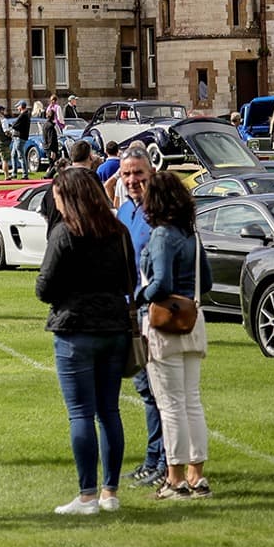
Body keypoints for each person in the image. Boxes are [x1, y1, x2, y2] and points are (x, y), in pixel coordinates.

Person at [34, 167, 134, 516]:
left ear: (70, 198)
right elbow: (129, 279)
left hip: (76, 329)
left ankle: (88, 495)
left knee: (81, 413)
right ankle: (110, 491)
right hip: (114, 328)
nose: (56, 204)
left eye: (58, 197)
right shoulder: (118, 230)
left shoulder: (65, 233)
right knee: (109, 412)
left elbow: (44, 287)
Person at [136, 170, 214, 501]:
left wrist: (139, 295)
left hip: (164, 325)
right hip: (193, 320)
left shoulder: (162, 236)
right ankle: (197, 474)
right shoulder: (190, 234)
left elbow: (161, 284)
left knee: (170, 405)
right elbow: (206, 282)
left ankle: (175, 477)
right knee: (191, 401)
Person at [113, 147, 164, 486]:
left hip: (154, 311)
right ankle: (153, 458)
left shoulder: (160, 211)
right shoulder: (125, 212)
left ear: (151, 173)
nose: (132, 180)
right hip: (129, 310)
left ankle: (163, 462)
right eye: (127, 174)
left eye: (138, 173)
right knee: (144, 388)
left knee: (161, 391)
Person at [10, 102, 33, 176]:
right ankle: (14, 172)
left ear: (21, 107)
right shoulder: (26, 114)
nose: (17, 108)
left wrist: (11, 125)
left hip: (19, 137)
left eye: (18, 107)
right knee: (13, 155)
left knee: (20, 156)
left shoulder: (23, 115)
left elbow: (15, 125)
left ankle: (25, 173)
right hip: (18, 137)